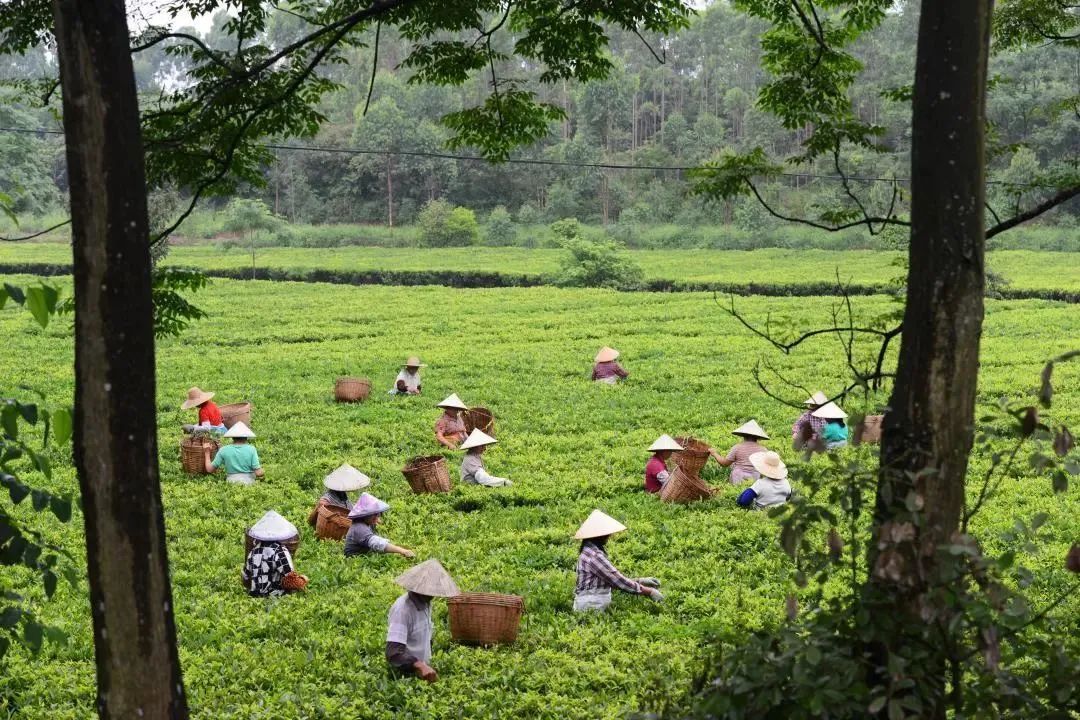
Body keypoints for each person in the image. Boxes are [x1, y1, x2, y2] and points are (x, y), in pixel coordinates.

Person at [573, 510, 663, 611]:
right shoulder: (594, 556)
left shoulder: (589, 550)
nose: (609, 536)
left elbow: (610, 580)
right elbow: (616, 580)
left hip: (591, 603)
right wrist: (649, 592)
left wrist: (640, 581)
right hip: (590, 606)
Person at [386, 559, 460, 682]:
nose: (433, 595)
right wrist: (420, 665)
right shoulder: (402, 610)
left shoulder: (426, 603)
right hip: (405, 677)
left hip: (424, 674)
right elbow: (393, 653)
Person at [242, 511, 307, 597]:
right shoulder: (279, 551)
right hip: (274, 597)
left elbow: (246, 577)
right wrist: (303, 580)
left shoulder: (253, 551)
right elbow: (291, 581)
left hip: (254, 597)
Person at [308, 464, 370, 541]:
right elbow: (311, 522)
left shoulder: (343, 497)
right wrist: (318, 507)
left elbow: (352, 513)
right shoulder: (327, 499)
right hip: (331, 535)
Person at [344, 493, 416, 558]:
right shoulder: (359, 528)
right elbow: (377, 543)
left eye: (377, 514)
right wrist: (403, 551)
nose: (377, 517)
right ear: (364, 515)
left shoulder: (367, 522)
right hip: (355, 559)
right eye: (374, 514)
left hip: (366, 554)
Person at [710, 420, 770, 484]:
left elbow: (724, 463)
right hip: (754, 479)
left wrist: (714, 453)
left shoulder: (737, 447)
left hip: (738, 477)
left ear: (743, 434)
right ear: (758, 437)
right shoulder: (763, 450)